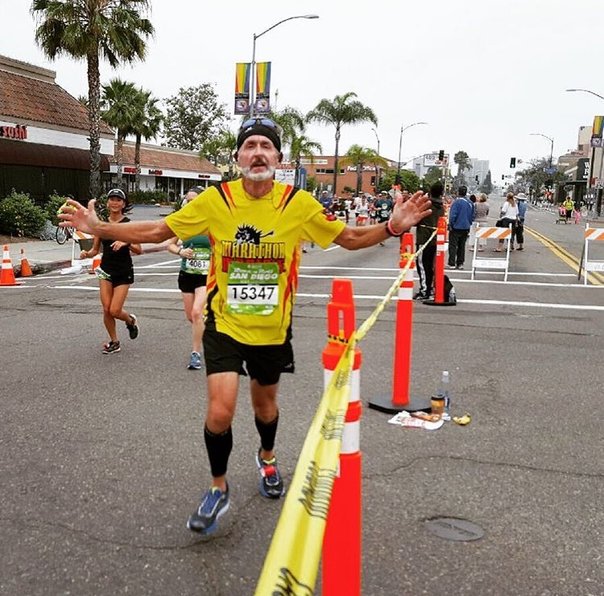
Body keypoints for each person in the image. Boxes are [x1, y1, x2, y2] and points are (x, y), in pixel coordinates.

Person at [59, 117, 432, 535]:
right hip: (224, 324)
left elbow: (347, 238)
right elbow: (160, 228)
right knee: (220, 411)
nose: (257, 152)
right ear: (237, 157)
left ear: (278, 157)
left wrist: (392, 226)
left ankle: (267, 456)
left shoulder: (297, 204)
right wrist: (99, 228)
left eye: (265, 146)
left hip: (272, 331)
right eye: (249, 145)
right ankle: (218, 487)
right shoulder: (216, 200)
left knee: (265, 408)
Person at [79, 188, 141, 354]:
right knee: (106, 309)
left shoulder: (128, 224)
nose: (115, 202)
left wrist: (126, 242)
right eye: (112, 199)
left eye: (118, 200)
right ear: (107, 203)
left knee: (115, 310)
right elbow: (95, 250)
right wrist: (86, 254)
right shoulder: (101, 225)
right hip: (105, 271)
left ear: (123, 204)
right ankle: (114, 342)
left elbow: (139, 249)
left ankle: (130, 321)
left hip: (123, 271)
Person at [166, 186, 210, 370]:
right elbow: (170, 245)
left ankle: (195, 354)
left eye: (193, 200)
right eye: (187, 200)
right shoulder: (184, 223)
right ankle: (208, 330)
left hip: (205, 276)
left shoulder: (211, 222)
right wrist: (180, 251)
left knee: (197, 313)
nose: (189, 203)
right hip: (186, 275)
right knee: (191, 316)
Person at [414, 181, 445, 300]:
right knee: (430, 265)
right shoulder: (441, 206)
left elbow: (416, 219)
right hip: (435, 238)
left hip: (424, 237)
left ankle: (425, 290)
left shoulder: (426, 205)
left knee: (422, 265)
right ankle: (430, 288)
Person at [447, 185, 475, 269]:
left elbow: (453, 215)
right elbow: (472, 215)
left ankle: (452, 263)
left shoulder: (456, 202)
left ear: (458, 192)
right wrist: (469, 223)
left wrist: (451, 224)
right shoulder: (470, 203)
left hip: (456, 227)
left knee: (453, 245)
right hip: (466, 227)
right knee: (462, 246)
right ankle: (460, 263)